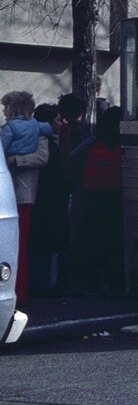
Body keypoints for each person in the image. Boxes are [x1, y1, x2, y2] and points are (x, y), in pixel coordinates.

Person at [1, 90, 51, 306]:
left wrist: (15, 160)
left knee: (18, 244)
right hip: (15, 192)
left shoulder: (20, 130)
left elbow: (42, 157)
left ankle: (19, 291)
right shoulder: (37, 128)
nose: (4, 112)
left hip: (22, 192)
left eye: (6, 108)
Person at [69, 106, 124, 294]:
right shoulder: (123, 142)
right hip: (115, 196)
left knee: (93, 239)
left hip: (92, 196)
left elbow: (73, 157)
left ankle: (92, 283)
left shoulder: (94, 141)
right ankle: (114, 283)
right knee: (114, 240)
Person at [28, 103, 69, 294]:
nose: (62, 124)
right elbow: (55, 177)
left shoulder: (32, 142)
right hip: (49, 200)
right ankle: (44, 283)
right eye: (58, 120)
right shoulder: (48, 145)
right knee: (47, 242)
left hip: (38, 197)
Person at [1, 92, 55, 157]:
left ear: (12, 110)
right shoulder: (35, 123)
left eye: (5, 107)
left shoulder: (10, 127)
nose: (3, 111)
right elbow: (48, 128)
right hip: (30, 159)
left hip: (10, 158)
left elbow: (2, 147)